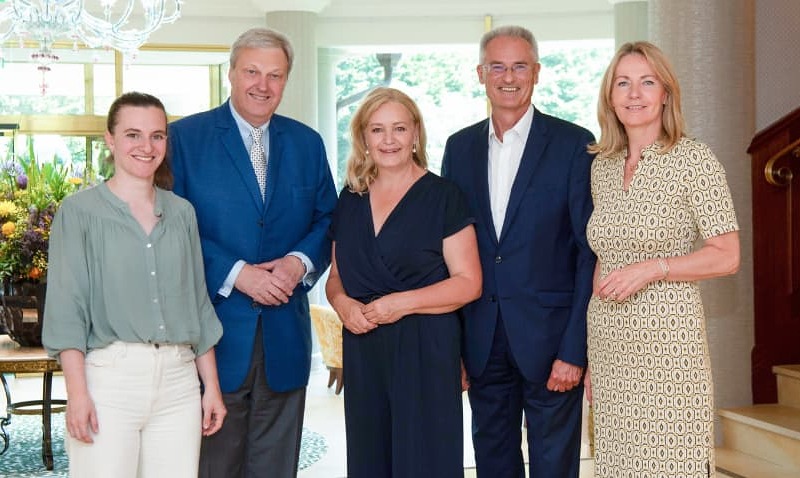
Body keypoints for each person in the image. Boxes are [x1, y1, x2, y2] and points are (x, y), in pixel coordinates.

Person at [167, 27, 337, 477]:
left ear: (286, 80)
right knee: (214, 466)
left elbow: (328, 219)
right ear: (231, 73)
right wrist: (236, 273)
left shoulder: (307, 143)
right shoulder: (183, 139)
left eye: (275, 75)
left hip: (286, 337)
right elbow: (170, 228)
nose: (263, 85)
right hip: (213, 337)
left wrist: (298, 262)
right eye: (252, 72)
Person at [42, 91, 226, 478]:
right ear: (110, 140)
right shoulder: (78, 212)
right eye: (133, 135)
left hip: (179, 382)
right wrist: (77, 393)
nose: (147, 146)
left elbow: (197, 303)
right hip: (109, 380)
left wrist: (210, 385)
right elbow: (67, 309)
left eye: (157, 136)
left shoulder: (182, 212)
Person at [441, 25, 596, 477]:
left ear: (537, 72)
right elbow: (448, 252)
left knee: (554, 467)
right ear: (480, 74)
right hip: (482, 342)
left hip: (552, 344)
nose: (508, 77)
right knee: (493, 464)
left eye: (519, 66)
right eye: (497, 67)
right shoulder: (459, 148)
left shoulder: (574, 144)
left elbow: (588, 252)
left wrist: (575, 350)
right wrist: (455, 348)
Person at [584, 41, 740, 477]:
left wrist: (654, 269)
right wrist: (591, 357)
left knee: (673, 463)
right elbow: (604, 258)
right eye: (623, 83)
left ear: (666, 94)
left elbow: (727, 256)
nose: (634, 94)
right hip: (610, 347)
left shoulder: (694, 160)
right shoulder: (603, 166)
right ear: (610, 96)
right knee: (618, 466)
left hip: (668, 348)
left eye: (647, 82)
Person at [326, 87, 482, 477]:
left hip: (425, 349)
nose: (389, 140)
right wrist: (342, 304)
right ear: (363, 137)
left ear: (415, 132)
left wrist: (400, 303)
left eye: (399, 128)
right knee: (370, 459)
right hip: (364, 348)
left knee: (424, 461)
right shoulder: (350, 198)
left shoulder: (444, 196)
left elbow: (469, 283)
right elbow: (336, 276)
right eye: (377, 129)